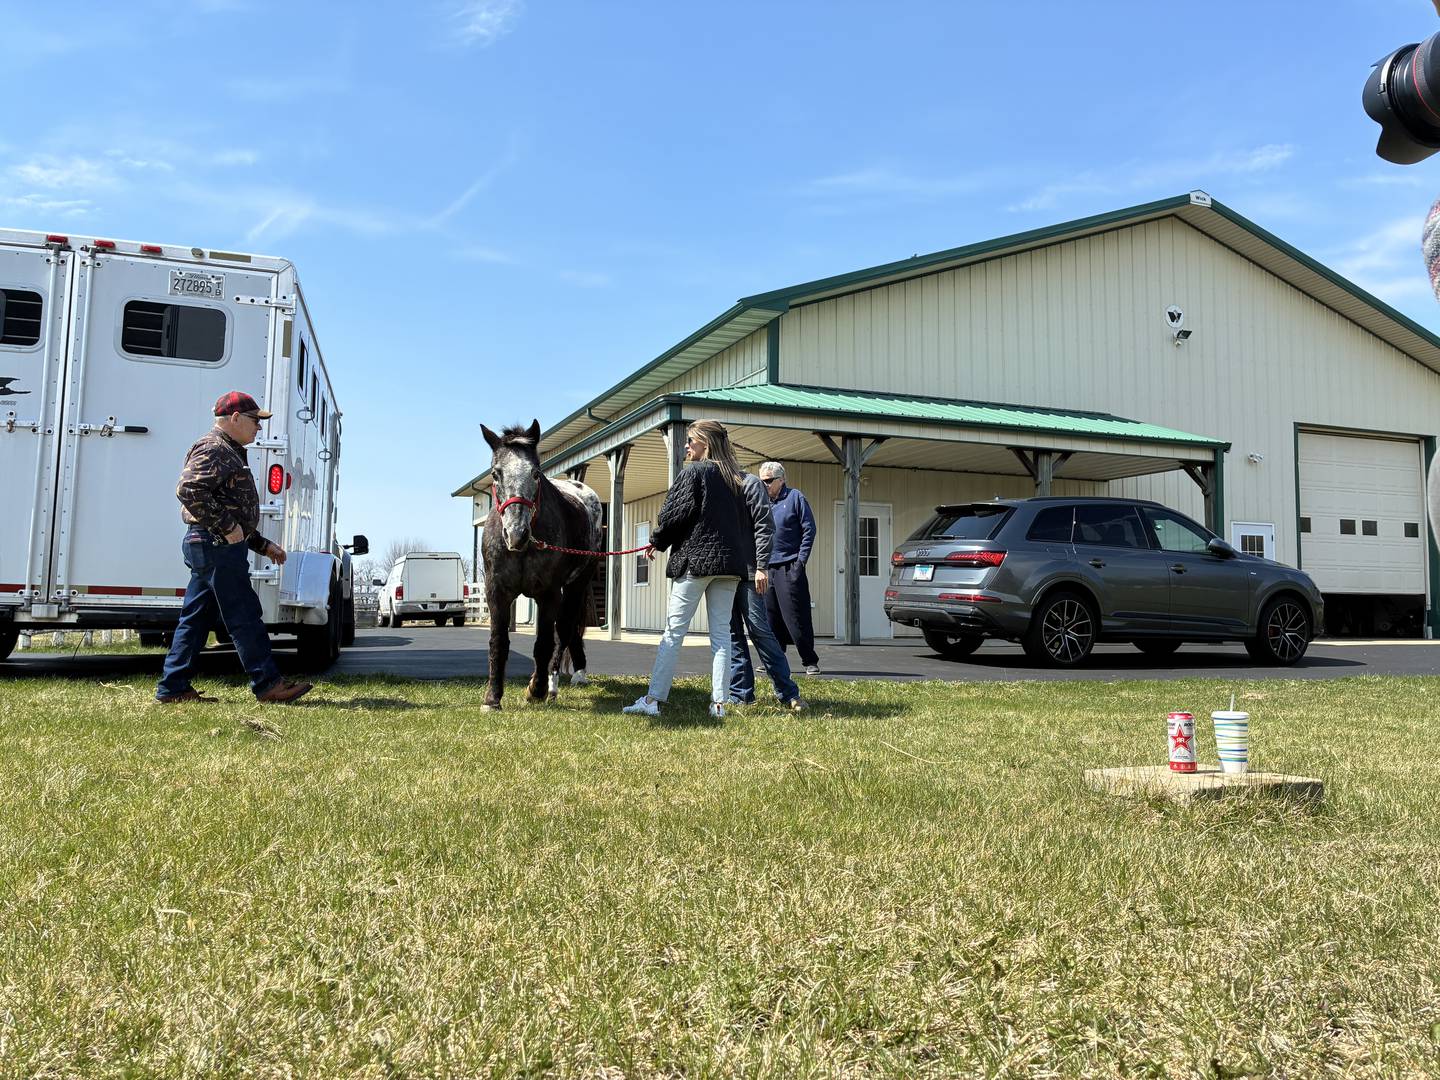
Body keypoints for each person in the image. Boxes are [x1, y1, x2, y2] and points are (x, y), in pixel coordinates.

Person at [154, 392, 313, 705]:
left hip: (212, 543)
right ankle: (269, 685)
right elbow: (188, 490)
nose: (259, 428)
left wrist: (262, 545)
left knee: (196, 619)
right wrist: (226, 528)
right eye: (255, 420)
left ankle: (173, 688)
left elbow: (232, 513)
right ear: (236, 417)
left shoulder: (230, 450)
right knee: (244, 614)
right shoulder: (214, 448)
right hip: (215, 545)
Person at [622, 420, 750, 719]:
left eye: (690, 440)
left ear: (705, 442)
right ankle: (719, 704)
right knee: (722, 635)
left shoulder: (694, 472)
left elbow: (673, 514)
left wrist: (656, 540)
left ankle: (653, 700)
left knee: (674, 632)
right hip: (729, 565)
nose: (686, 446)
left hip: (697, 562)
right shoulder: (737, 478)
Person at [728, 466, 806, 710]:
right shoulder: (718, 486)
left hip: (751, 571)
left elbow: (765, 526)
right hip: (724, 572)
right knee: (733, 635)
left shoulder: (749, 484)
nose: (765, 484)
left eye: (769, 480)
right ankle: (742, 695)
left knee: (760, 630)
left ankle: (788, 692)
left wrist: (762, 566)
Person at [758, 461, 821, 675]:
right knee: (770, 618)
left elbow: (809, 529)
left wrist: (800, 562)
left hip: (789, 566)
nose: (764, 485)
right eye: (762, 481)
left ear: (781, 479)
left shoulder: (795, 498)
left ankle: (809, 661)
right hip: (767, 568)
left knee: (796, 617)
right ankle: (776, 662)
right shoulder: (762, 502)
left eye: (768, 481)